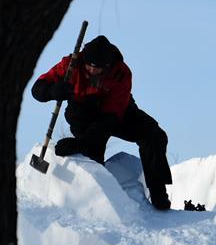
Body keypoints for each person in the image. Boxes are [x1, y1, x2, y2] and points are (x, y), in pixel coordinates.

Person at [31, 35, 173, 210]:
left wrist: (82, 143)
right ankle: (98, 209)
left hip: (118, 112)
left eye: (98, 68)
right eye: (89, 65)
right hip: (82, 113)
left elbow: (110, 118)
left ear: (108, 65)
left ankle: (158, 193)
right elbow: (37, 89)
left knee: (155, 136)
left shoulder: (121, 73)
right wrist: (52, 91)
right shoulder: (71, 64)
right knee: (93, 161)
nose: (92, 70)